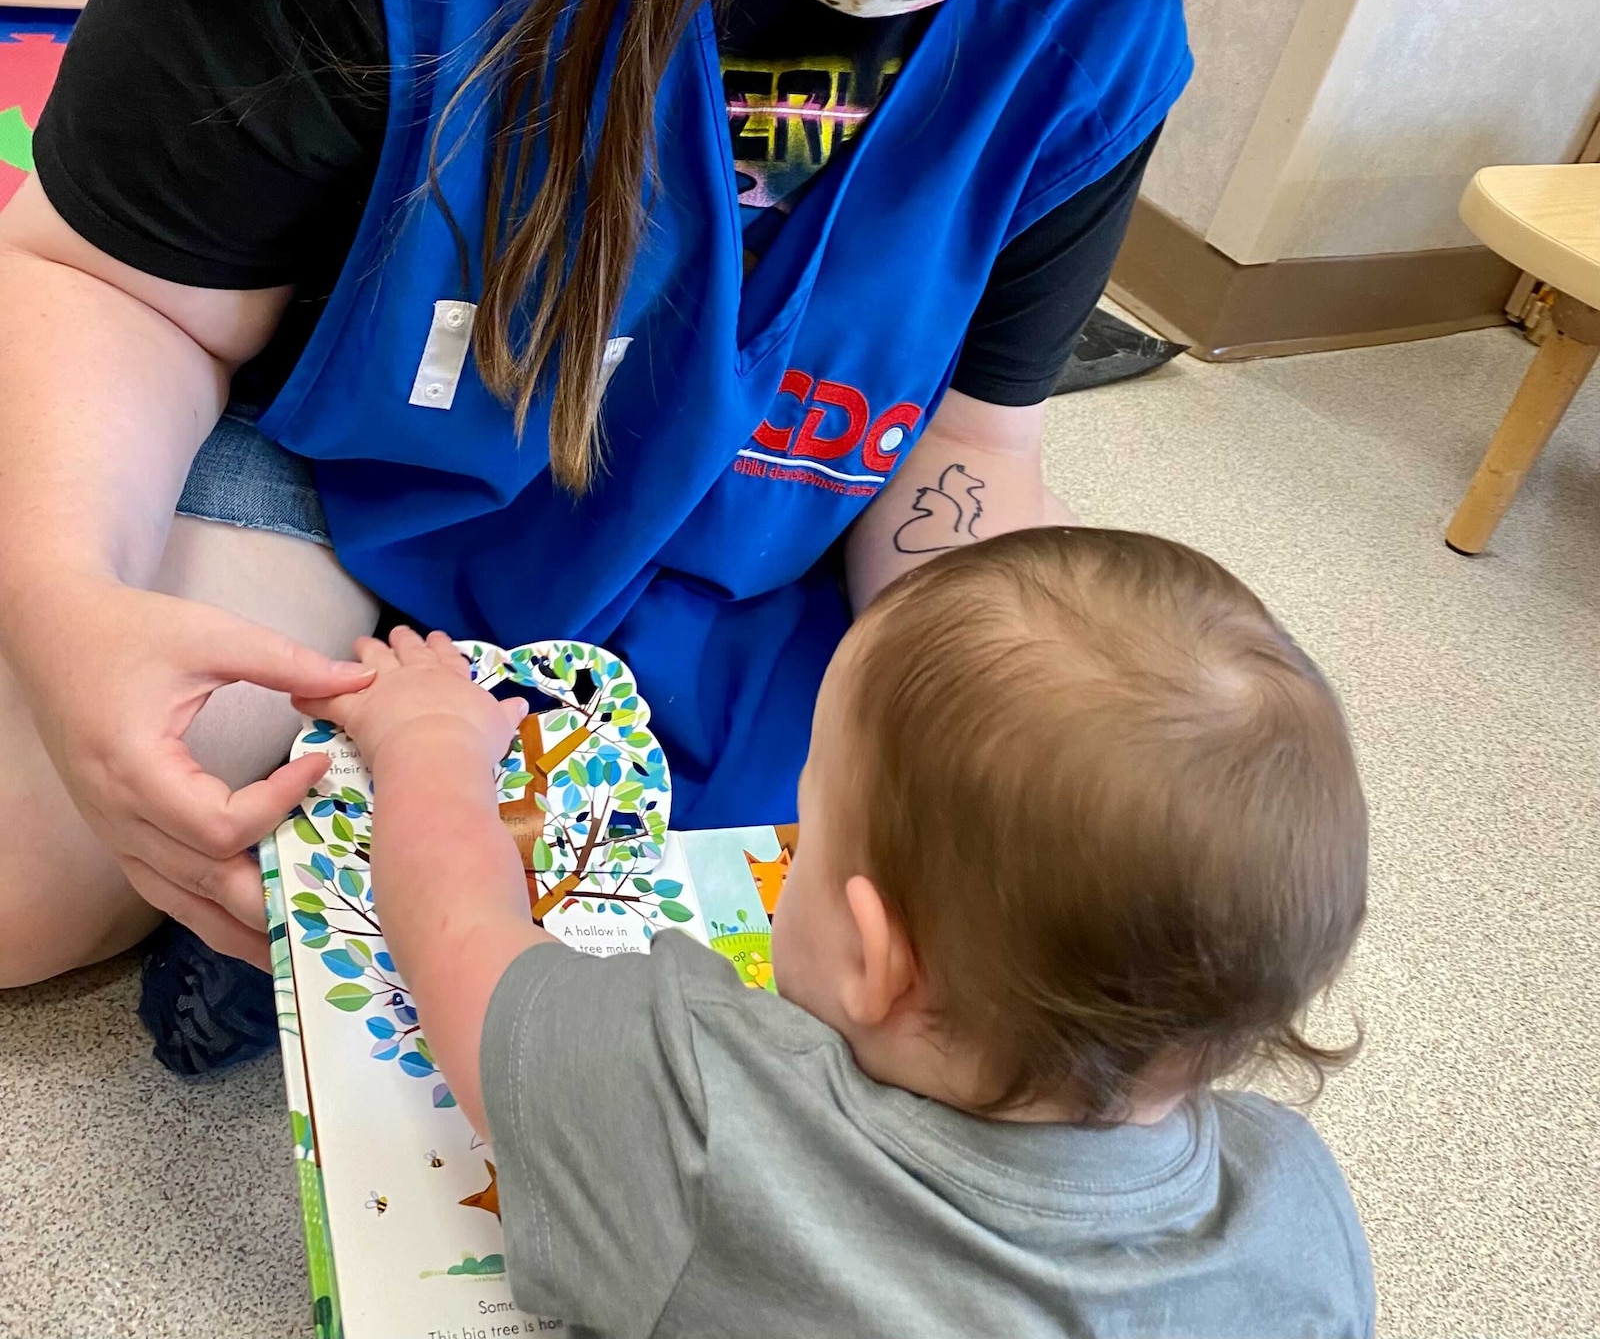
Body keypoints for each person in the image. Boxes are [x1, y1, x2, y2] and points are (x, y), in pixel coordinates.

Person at [0, 0, 1258, 999]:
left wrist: (1003, 742)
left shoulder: (1097, 29)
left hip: (735, 552)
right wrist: (69, 605)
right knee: (33, 882)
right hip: (366, 476)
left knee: (976, 912)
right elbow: (112, 288)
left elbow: (963, 453)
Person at [310, 527, 1374, 1339]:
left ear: (877, 960)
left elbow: (457, 929)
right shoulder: (1296, 1214)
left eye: (808, 827)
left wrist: (432, 743)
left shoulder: (701, 1106)